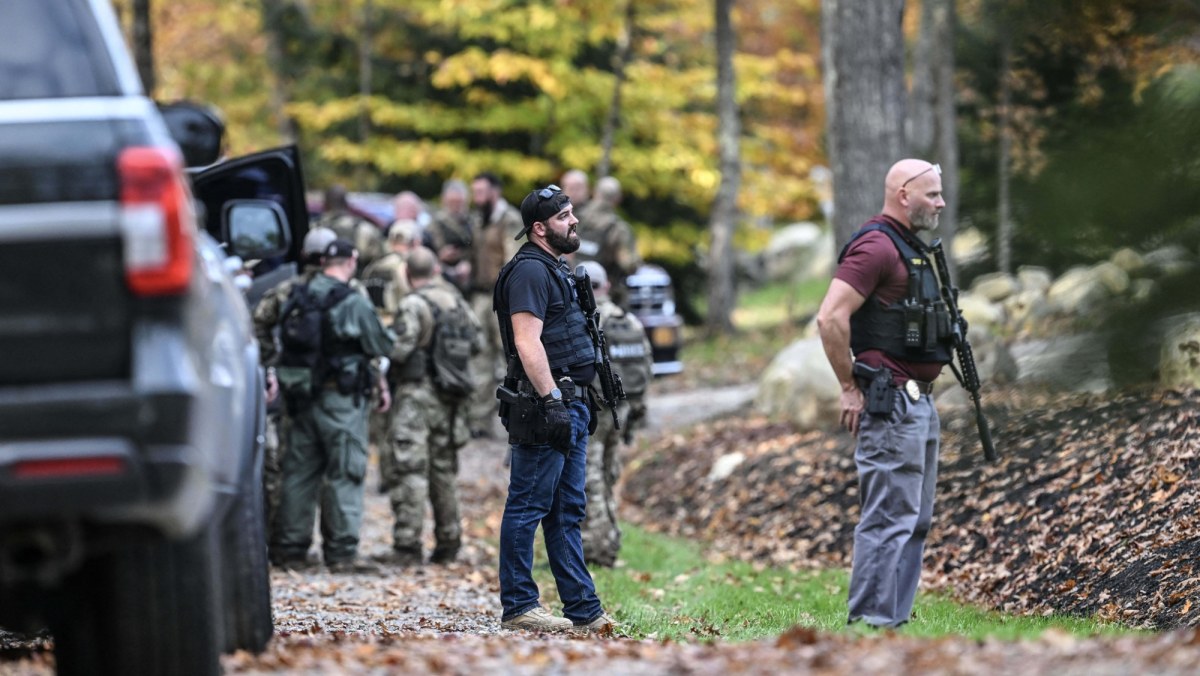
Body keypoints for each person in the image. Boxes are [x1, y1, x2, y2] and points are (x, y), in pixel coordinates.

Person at [815, 159, 951, 628]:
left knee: (914, 520)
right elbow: (830, 317)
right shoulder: (876, 246)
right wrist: (848, 387)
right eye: (932, 194)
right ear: (903, 195)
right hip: (891, 402)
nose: (941, 203)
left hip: (918, 402)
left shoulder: (909, 245)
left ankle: (892, 623)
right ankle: (870, 624)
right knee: (889, 518)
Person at [491, 184, 615, 633]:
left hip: (570, 403)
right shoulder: (529, 271)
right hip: (545, 406)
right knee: (528, 504)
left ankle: (584, 611)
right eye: (564, 216)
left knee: (567, 511)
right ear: (540, 229)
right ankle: (519, 606)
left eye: (572, 212)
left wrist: (579, 400)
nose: (574, 220)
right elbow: (527, 342)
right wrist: (553, 402)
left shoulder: (554, 269)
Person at [270, 239, 397, 573]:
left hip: (300, 397)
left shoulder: (298, 293)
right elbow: (382, 344)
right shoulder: (353, 300)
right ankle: (341, 554)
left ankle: (290, 549)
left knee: (299, 472)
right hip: (341, 401)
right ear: (351, 260)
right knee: (345, 471)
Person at [382, 246, 481, 566]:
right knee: (443, 470)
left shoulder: (413, 304)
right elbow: (477, 344)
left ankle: (407, 544)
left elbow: (400, 349)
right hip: (450, 397)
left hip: (417, 395)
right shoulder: (456, 302)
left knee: (410, 467)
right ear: (436, 270)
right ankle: (449, 541)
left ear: (407, 274)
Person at [253, 226, 338, 541]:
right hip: (336, 388)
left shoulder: (285, 290)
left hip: (293, 386)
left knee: (294, 465)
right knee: (337, 468)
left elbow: (258, 323)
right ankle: (337, 546)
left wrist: (271, 362)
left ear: (303, 255)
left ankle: (289, 542)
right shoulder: (347, 289)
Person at [575, 261, 653, 568]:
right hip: (623, 408)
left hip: (596, 410)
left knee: (590, 476)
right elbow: (645, 368)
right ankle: (610, 540)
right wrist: (637, 411)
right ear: (606, 286)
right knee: (609, 474)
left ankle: (597, 547)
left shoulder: (588, 319)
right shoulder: (629, 321)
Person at [466, 171, 524, 438]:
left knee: (509, 358)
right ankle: (479, 421)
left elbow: (514, 261)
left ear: (495, 192)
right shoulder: (478, 219)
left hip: (502, 298)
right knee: (479, 357)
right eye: (474, 192)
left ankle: (517, 418)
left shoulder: (509, 219)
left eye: (481, 192)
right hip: (479, 296)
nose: (476, 197)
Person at [575, 176, 640, 305]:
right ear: (618, 199)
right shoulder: (618, 229)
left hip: (570, 294)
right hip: (602, 299)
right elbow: (629, 265)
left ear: (594, 193)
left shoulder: (574, 219)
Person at [316, 185, 385, 274]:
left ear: (325, 205)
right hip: (359, 279)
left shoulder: (317, 230)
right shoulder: (365, 229)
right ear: (346, 203)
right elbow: (379, 261)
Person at [426, 178, 474, 293]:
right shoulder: (434, 224)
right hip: (442, 278)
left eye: (459, 202)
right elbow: (426, 254)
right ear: (444, 201)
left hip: (470, 278)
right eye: (452, 202)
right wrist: (440, 256)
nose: (456, 206)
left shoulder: (473, 222)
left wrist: (469, 262)